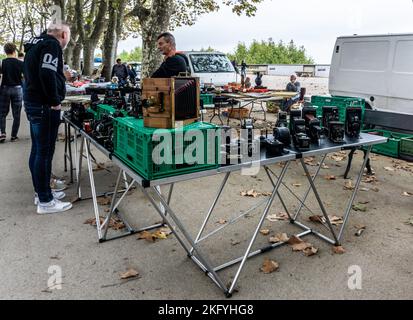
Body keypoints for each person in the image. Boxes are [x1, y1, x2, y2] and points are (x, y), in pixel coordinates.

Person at [23, 22, 73, 214]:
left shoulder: (36, 44)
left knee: (37, 150)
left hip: (34, 102)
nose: (68, 40)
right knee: (44, 152)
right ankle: (45, 201)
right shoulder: (52, 45)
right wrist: (54, 100)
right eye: (68, 35)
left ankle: (41, 192)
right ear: (62, 34)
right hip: (44, 105)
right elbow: (47, 72)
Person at [0, 43, 24, 143]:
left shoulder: (2, 63)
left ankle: (3, 133)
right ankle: (14, 136)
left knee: (2, 113)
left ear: (5, 52)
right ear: (14, 51)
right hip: (17, 89)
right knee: (16, 114)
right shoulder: (20, 63)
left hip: (5, 89)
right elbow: (24, 76)